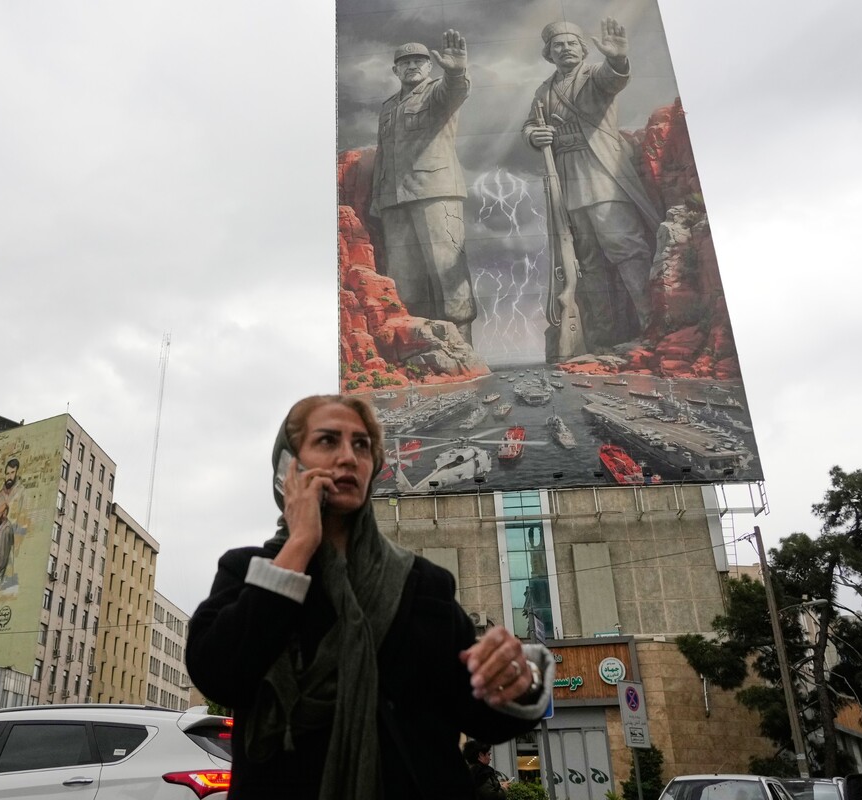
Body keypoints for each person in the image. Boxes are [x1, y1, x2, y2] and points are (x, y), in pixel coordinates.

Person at [186, 394, 553, 799]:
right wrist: (302, 542)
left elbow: (481, 717)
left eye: (361, 445)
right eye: (328, 441)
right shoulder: (247, 571)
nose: (348, 457)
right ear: (288, 465)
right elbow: (219, 674)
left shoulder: (421, 584)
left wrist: (519, 678)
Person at [522, 17, 664, 351]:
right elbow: (530, 124)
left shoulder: (593, 75)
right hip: (568, 180)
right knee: (587, 263)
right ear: (549, 53)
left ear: (583, 49)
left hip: (601, 172)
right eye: (558, 45)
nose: (565, 49)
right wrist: (533, 135)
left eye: (572, 43)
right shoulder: (544, 90)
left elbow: (613, 79)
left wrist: (616, 59)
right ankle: (603, 337)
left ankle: (651, 326)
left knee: (626, 249)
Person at [371, 31, 477, 343]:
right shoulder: (388, 107)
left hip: (436, 192)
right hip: (395, 200)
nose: (412, 66)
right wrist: (378, 200)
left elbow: (456, 91)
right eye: (405, 62)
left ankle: (464, 346)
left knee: (448, 271)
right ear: (395, 71)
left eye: (419, 61)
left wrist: (456, 71)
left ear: (430, 67)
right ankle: (419, 347)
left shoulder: (437, 93)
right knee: (404, 280)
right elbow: (382, 154)